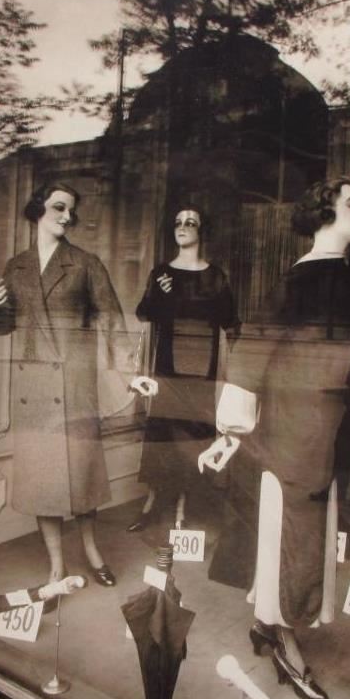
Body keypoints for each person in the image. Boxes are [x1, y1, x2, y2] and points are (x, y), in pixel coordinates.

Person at [199, 177, 350, 699]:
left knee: (305, 535)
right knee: (294, 538)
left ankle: (267, 624)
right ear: (326, 215)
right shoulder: (300, 279)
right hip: (294, 434)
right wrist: (232, 430)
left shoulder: (343, 277)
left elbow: (321, 355)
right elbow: (253, 353)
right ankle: (284, 642)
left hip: (323, 429)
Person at [0, 181, 157, 589]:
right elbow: (6, 324)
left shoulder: (85, 263)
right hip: (33, 392)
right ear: (38, 208)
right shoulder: (16, 267)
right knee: (43, 483)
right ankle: (56, 566)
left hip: (75, 387)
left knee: (81, 478)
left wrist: (132, 373)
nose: (67, 216)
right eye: (59, 207)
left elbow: (112, 322)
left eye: (71, 210)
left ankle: (92, 552)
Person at [127, 205, 240, 532]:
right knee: (161, 433)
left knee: (194, 437)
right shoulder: (161, 273)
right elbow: (144, 313)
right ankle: (152, 502)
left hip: (202, 370)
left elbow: (229, 320)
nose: (183, 226)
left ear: (201, 231)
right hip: (167, 368)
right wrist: (161, 295)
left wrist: (182, 299)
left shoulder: (215, 276)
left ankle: (183, 508)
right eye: (178, 222)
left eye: (191, 222)